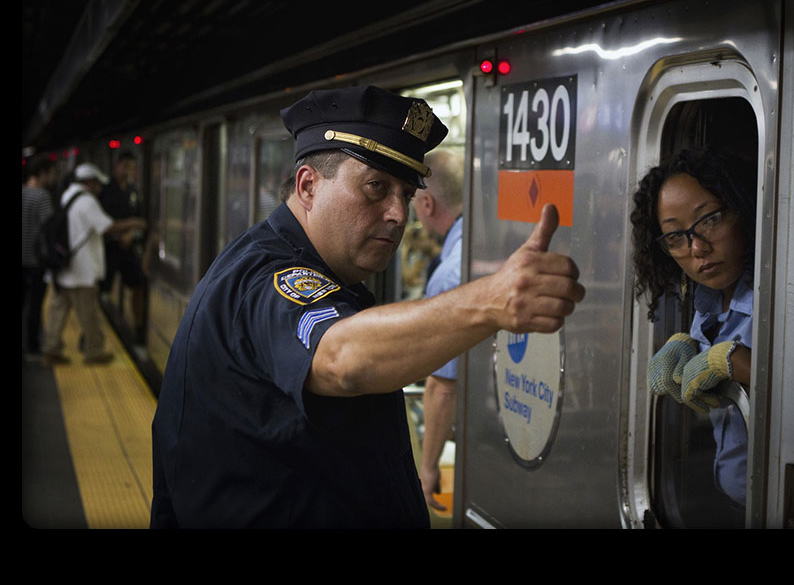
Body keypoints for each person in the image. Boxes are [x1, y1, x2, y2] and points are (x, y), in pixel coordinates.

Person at [150, 86, 585, 529]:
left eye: (406, 195)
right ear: (307, 186)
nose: (398, 213)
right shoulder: (270, 278)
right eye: (376, 187)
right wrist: (489, 302)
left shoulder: (325, 273)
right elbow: (341, 358)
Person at [631, 147, 755, 507]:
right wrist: (689, 345)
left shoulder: (781, 293)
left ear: (741, 208)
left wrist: (734, 361)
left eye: (710, 220)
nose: (698, 247)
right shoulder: (708, 298)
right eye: (676, 237)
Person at [41, 163, 146, 365]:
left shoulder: (67, 195)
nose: (100, 188)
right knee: (89, 313)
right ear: (90, 182)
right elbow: (108, 227)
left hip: (63, 266)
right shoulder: (87, 201)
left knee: (57, 311)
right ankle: (94, 351)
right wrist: (133, 222)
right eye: (98, 183)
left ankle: (51, 349)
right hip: (82, 268)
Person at [412, 149, 463, 511]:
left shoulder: (447, 277)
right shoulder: (480, 248)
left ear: (427, 204)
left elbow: (443, 387)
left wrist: (428, 467)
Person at [100, 151, 148, 342]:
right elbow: (102, 223)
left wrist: (131, 233)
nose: (128, 171)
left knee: (138, 286)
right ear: (116, 166)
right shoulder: (105, 191)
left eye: (131, 167)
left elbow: (143, 223)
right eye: (125, 166)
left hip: (128, 250)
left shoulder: (134, 193)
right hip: (108, 249)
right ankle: (95, 333)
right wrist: (129, 224)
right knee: (102, 291)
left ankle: (138, 329)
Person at [22, 154, 57, 361]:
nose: (53, 178)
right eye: (51, 173)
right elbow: (49, 228)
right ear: (42, 174)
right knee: (34, 306)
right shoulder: (42, 196)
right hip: (35, 262)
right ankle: (32, 348)